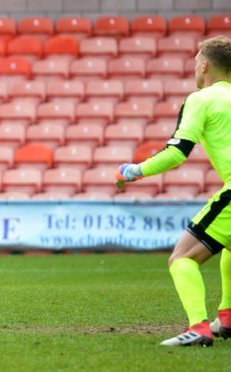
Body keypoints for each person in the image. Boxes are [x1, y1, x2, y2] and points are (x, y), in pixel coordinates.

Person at [116, 35, 231, 347]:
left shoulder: (201, 99)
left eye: (196, 60)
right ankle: (227, 317)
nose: (195, 66)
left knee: (182, 257)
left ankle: (199, 328)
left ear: (205, 64)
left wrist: (136, 169)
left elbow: (178, 151)